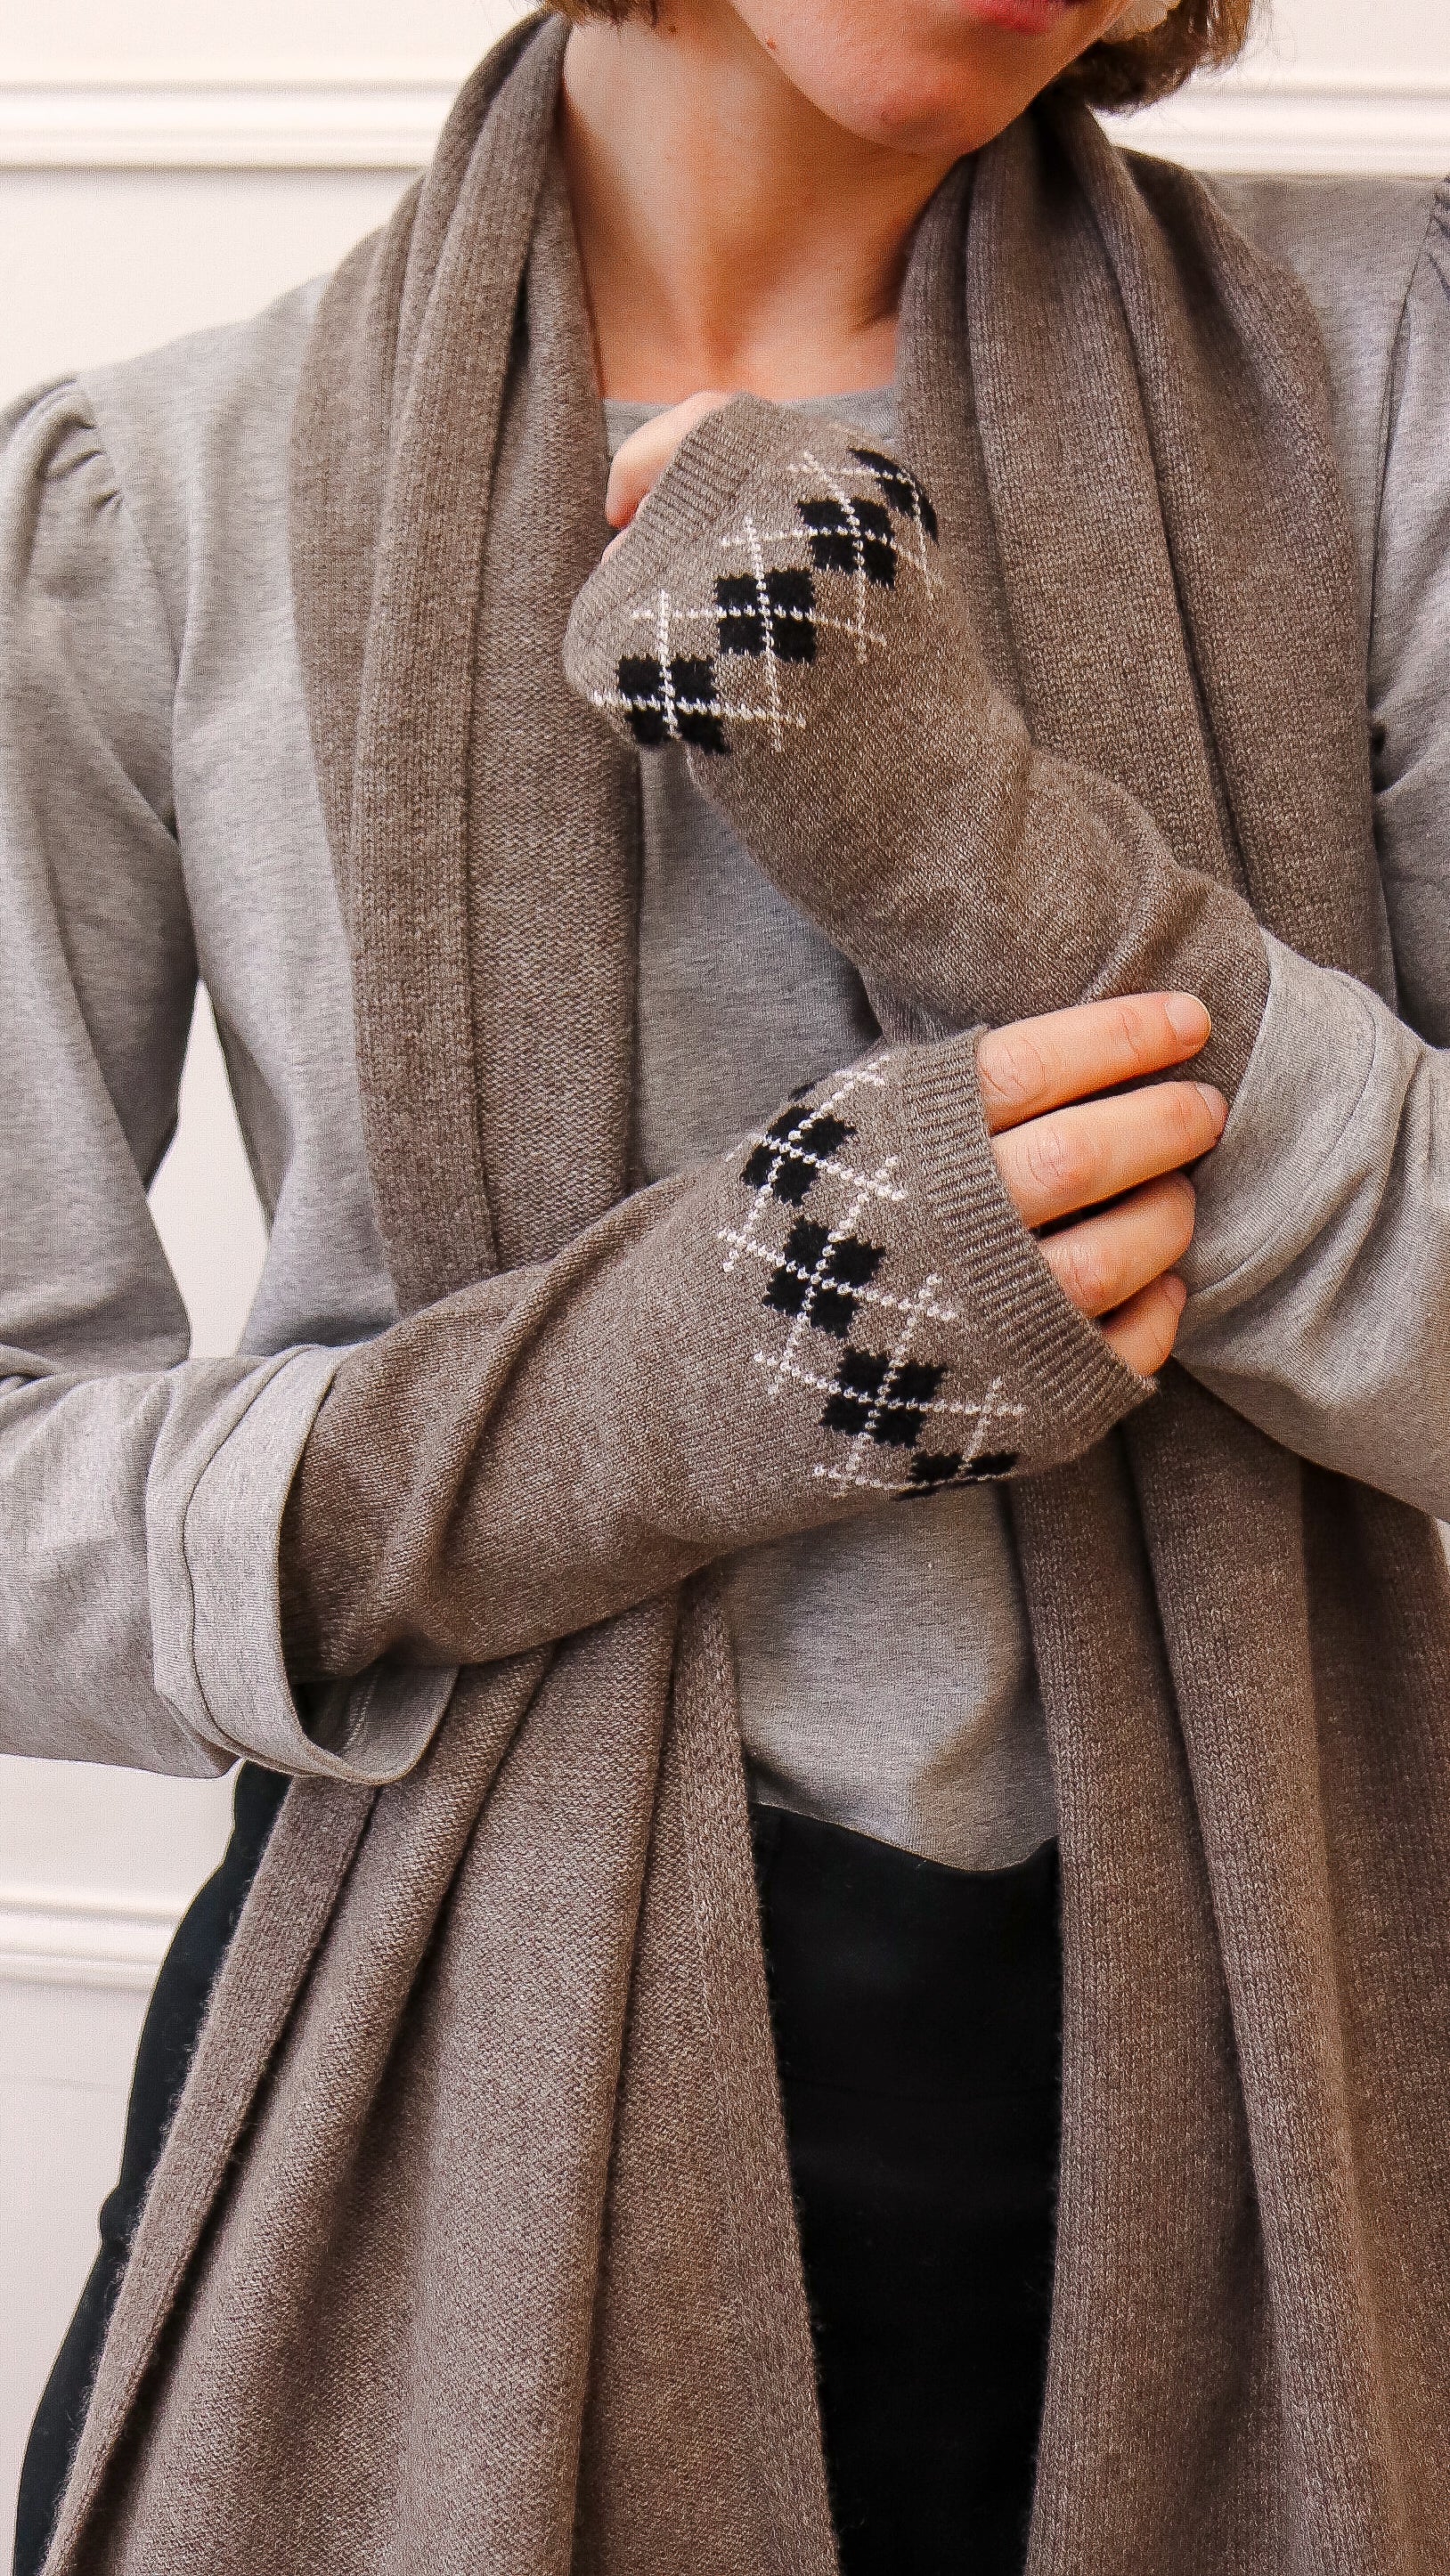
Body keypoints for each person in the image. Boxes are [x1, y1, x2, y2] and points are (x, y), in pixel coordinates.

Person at [5, 2, 1450, 2571]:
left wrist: (971, 849)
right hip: (421, 2094)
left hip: (1270, 2078)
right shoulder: (161, 501)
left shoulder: (1385, 370)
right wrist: (654, 1392)